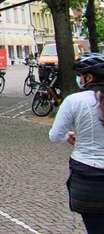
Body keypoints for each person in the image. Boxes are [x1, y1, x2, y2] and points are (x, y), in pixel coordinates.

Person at [49, 53, 104, 234]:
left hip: (87, 178)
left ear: (89, 77)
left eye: (80, 75)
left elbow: (55, 136)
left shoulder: (74, 101)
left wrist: (68, 137)